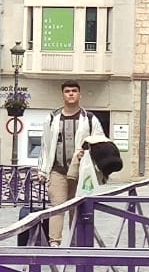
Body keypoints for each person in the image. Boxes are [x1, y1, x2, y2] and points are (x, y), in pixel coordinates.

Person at [36, 81, 107, 245]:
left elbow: (100, 141)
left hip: (81, 172)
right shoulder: (52, 118)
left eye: (74, 91)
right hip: (57, 170)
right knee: (57, 206)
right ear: (63, 95)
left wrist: (90, 155)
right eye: (67, 91)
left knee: (77, 207)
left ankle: (75, 243)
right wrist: (42, 171)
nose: (71, 93)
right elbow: (45, 145)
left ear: (79, 95)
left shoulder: (89, 119)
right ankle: (54, 243)